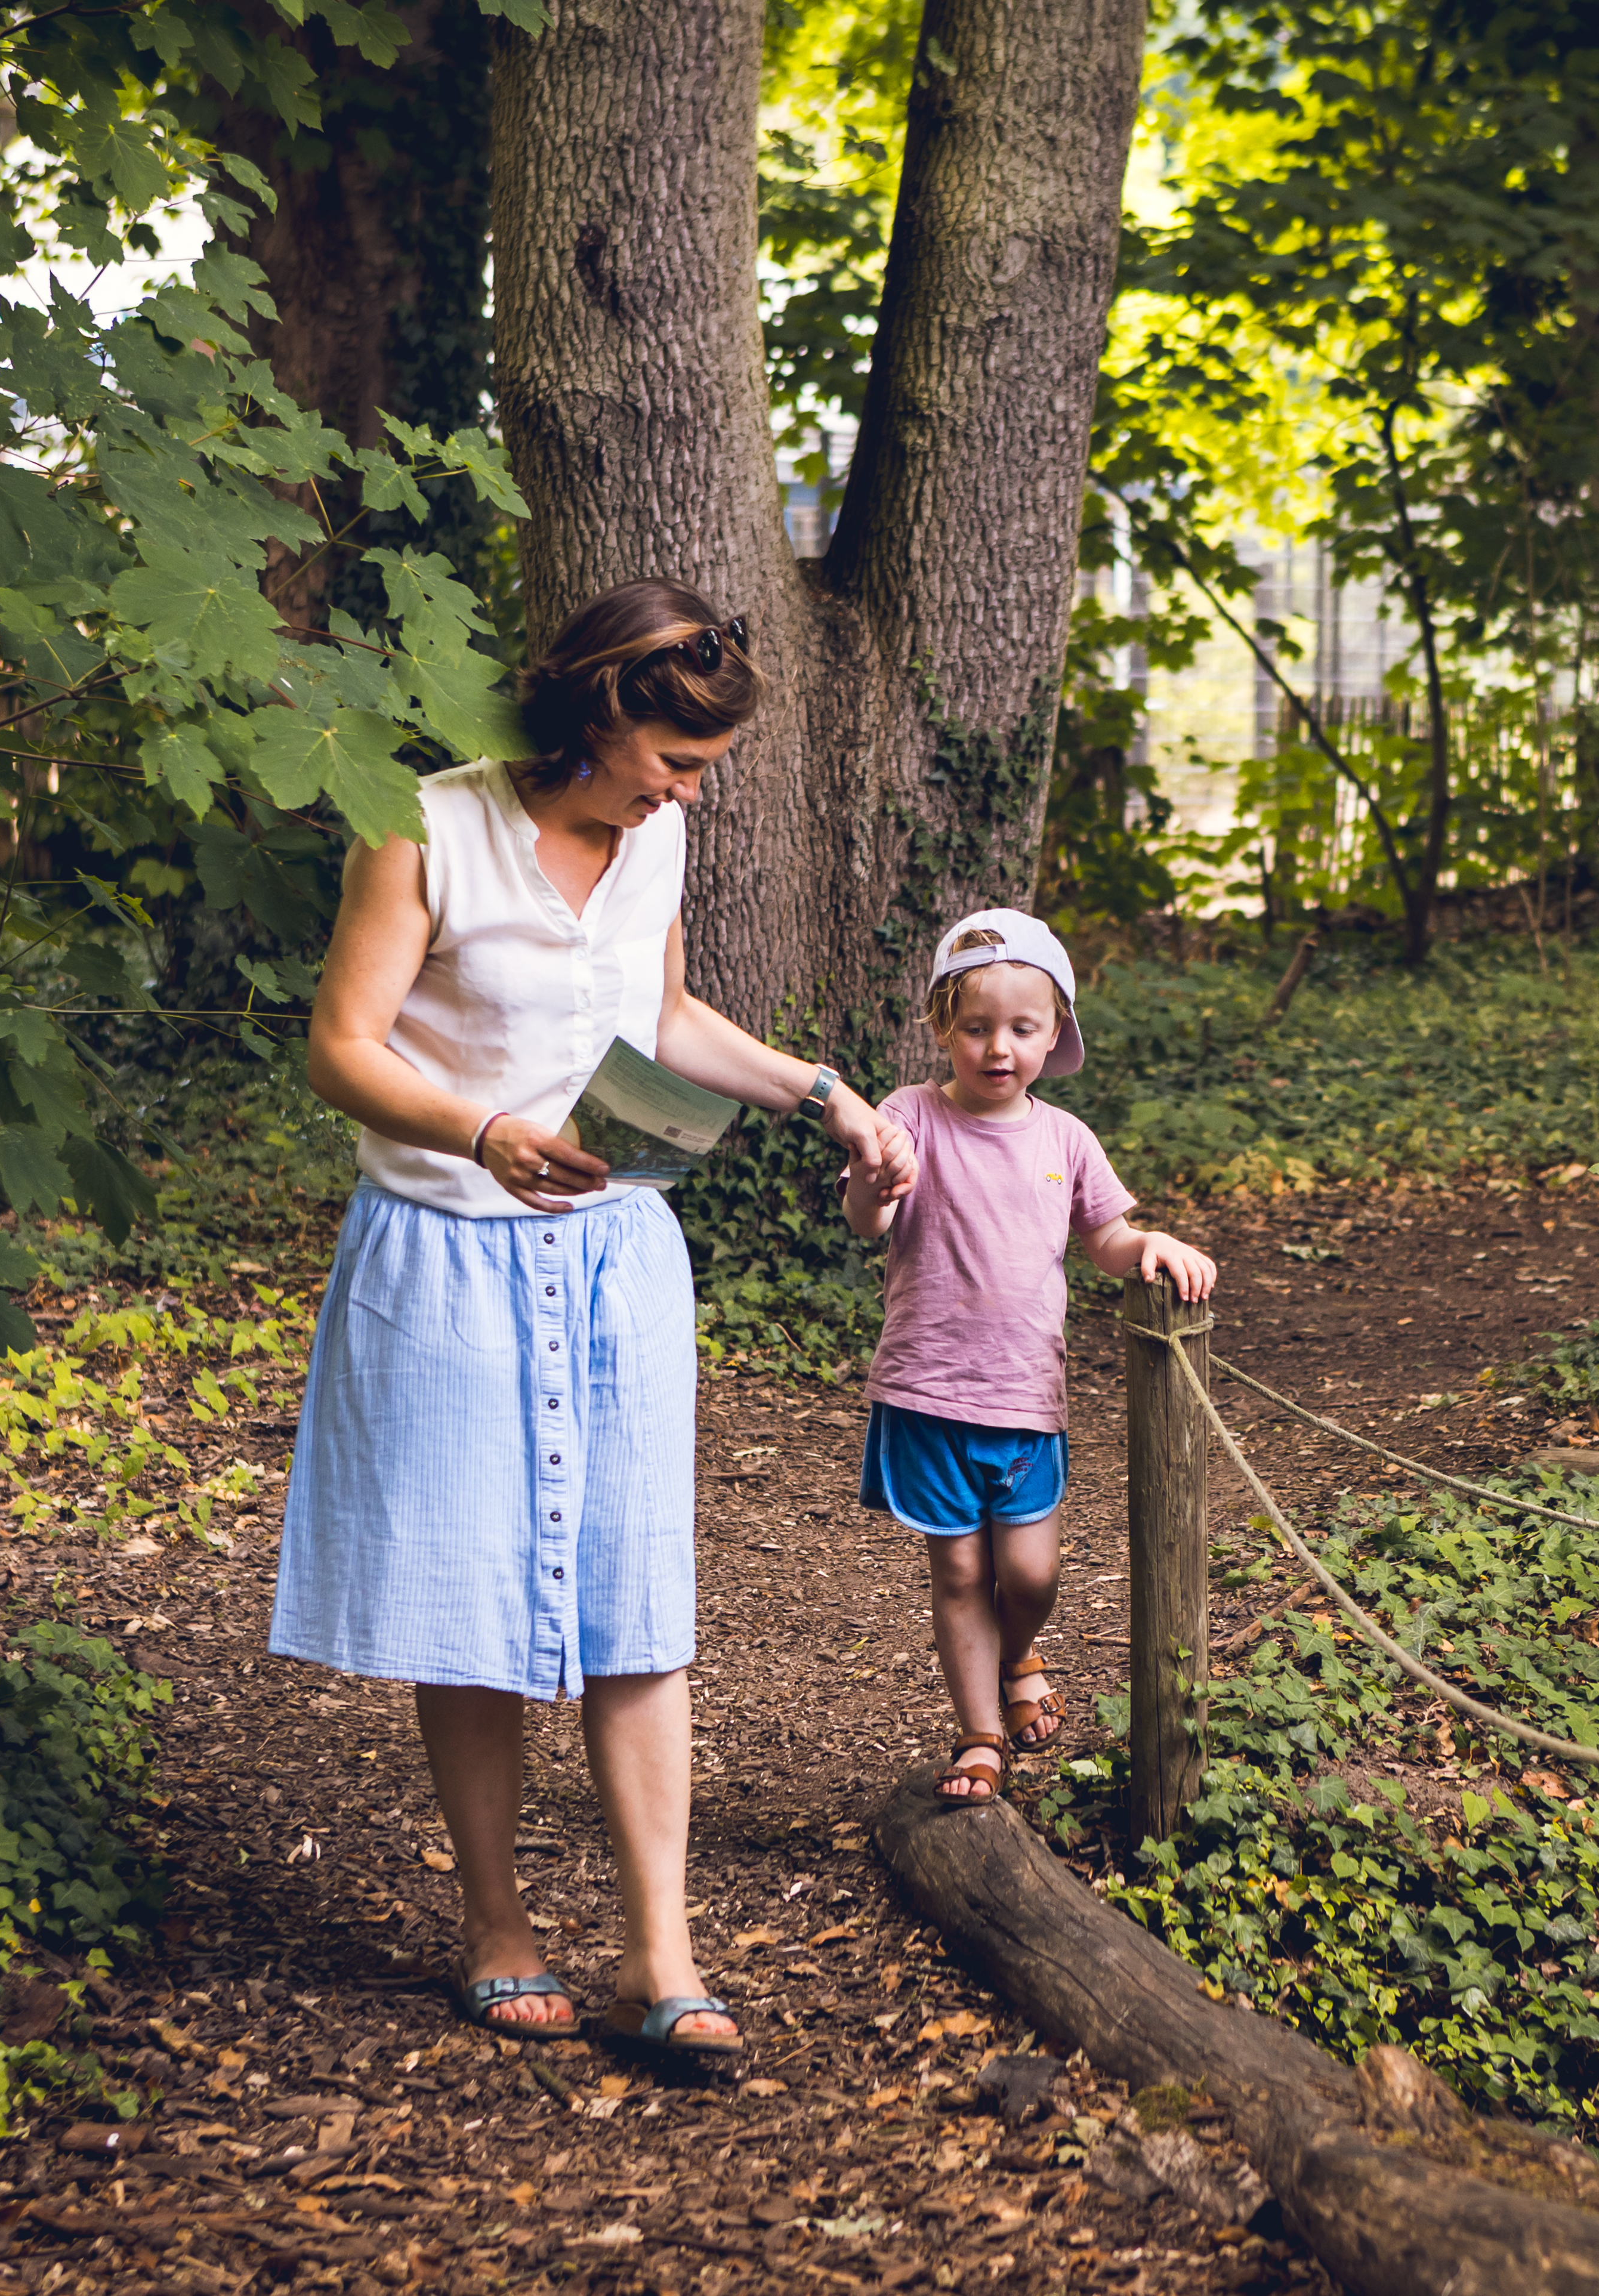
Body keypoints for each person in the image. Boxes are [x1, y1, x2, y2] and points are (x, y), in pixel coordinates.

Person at [276, 580, 917, 2058]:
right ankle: (495, 1920)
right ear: (602, 712)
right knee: (478, 1602)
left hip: (617, 1255)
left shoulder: (659, 837)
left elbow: (667, 1024)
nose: (692, 792)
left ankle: (661, 1953)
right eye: (676, 762)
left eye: (702, 771)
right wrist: (484, 1129)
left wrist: (822, 1093)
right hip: (445, 1251)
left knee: (638, 1597)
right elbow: (341, 1048)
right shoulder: (425, 823)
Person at [840, 910, 1218, 1805]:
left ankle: (1018, 1652)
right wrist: (870, 1179)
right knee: (962, 1570)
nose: (997, 1047)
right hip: (927, 1392)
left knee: (1031, 1573)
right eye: (975, 1028)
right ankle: (978, 1732)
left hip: (1024, 1398)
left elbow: (1106, 1239)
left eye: (1020, 1028)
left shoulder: (1065, 1140)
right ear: (943, 1029)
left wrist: (1151, 1244)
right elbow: (870, 1219)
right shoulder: (910, 1116)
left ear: (1056, 1034)